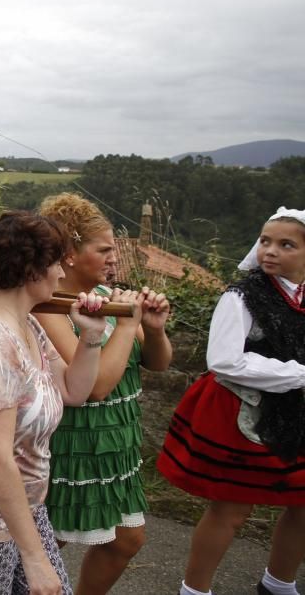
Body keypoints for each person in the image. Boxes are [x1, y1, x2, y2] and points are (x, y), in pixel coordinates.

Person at [0, 211, 106, 594]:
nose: (62, 273)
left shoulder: (28, 325)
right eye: (57, 263)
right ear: (32, 270)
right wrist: (34, 558)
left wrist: (92, 337)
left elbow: (73, 390)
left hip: (22, 504)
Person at [157, 207, 305, 595]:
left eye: (286, 244)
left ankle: (279, 583)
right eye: (265, 241)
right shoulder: (242, 296)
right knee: (233, 507)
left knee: (303, 503)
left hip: (297, 413)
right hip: (242, 410)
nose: (270, 251)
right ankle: (195, 589)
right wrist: (300, 375)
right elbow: (224, 361)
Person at [34, 193, 172, 594]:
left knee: (127, 540)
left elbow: (158, 362)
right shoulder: (50, 307)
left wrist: (155, 327)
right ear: (71, 255)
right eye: (105, 249)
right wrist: (127, 325)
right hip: (75, 444)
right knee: (47, 542)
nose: (115, 258)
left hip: (116, 442)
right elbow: (95, 388)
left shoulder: (112, 297)